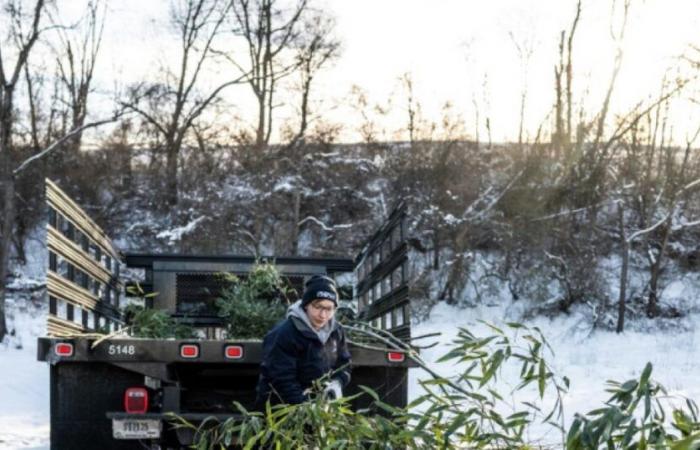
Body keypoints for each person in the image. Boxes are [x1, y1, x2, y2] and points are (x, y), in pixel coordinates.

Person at [255, 275, 351, 407]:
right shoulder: (284, 333)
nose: (323, 315)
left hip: (320, 407)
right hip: (283, 409)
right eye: (318, 307)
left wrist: (338, 382)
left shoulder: (336, 331)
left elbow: (344, 364)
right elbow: (281, 378)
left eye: (329, 309)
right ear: (306, 305)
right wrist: (305, 407)